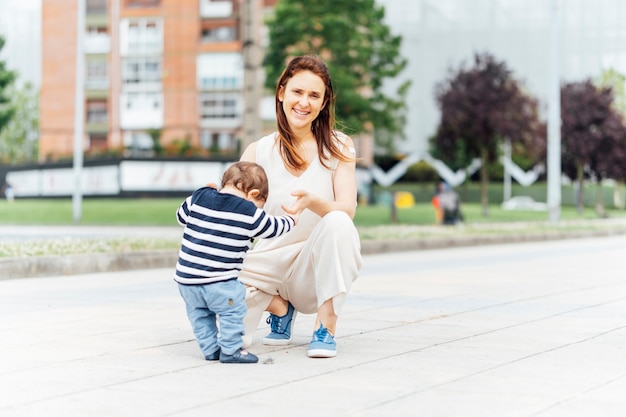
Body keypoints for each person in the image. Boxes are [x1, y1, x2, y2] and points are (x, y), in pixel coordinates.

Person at [238, 54, 363, 358]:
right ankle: (280, 310)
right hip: (267, 264)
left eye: (314, 95)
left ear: (323, 103)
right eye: (297, 92)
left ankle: (326, 326)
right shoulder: (257, 151)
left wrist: (314, 202)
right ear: (281, 93)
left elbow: (347, 209)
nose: (304, 102)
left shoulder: (339, 146)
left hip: (313, 269)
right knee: (227, 331)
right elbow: (236, 216)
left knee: (338, 222)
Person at [174, 161, 296, 364]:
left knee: (200, 316)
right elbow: (272, 228)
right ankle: (231, 350)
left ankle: (210, 349)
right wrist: (291, 219)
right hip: (219, 281)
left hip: (186, 281)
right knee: (233, 311)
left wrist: (202, 191)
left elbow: (181, 216)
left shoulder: (199, 197)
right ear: (254, 194)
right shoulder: (248, 211)